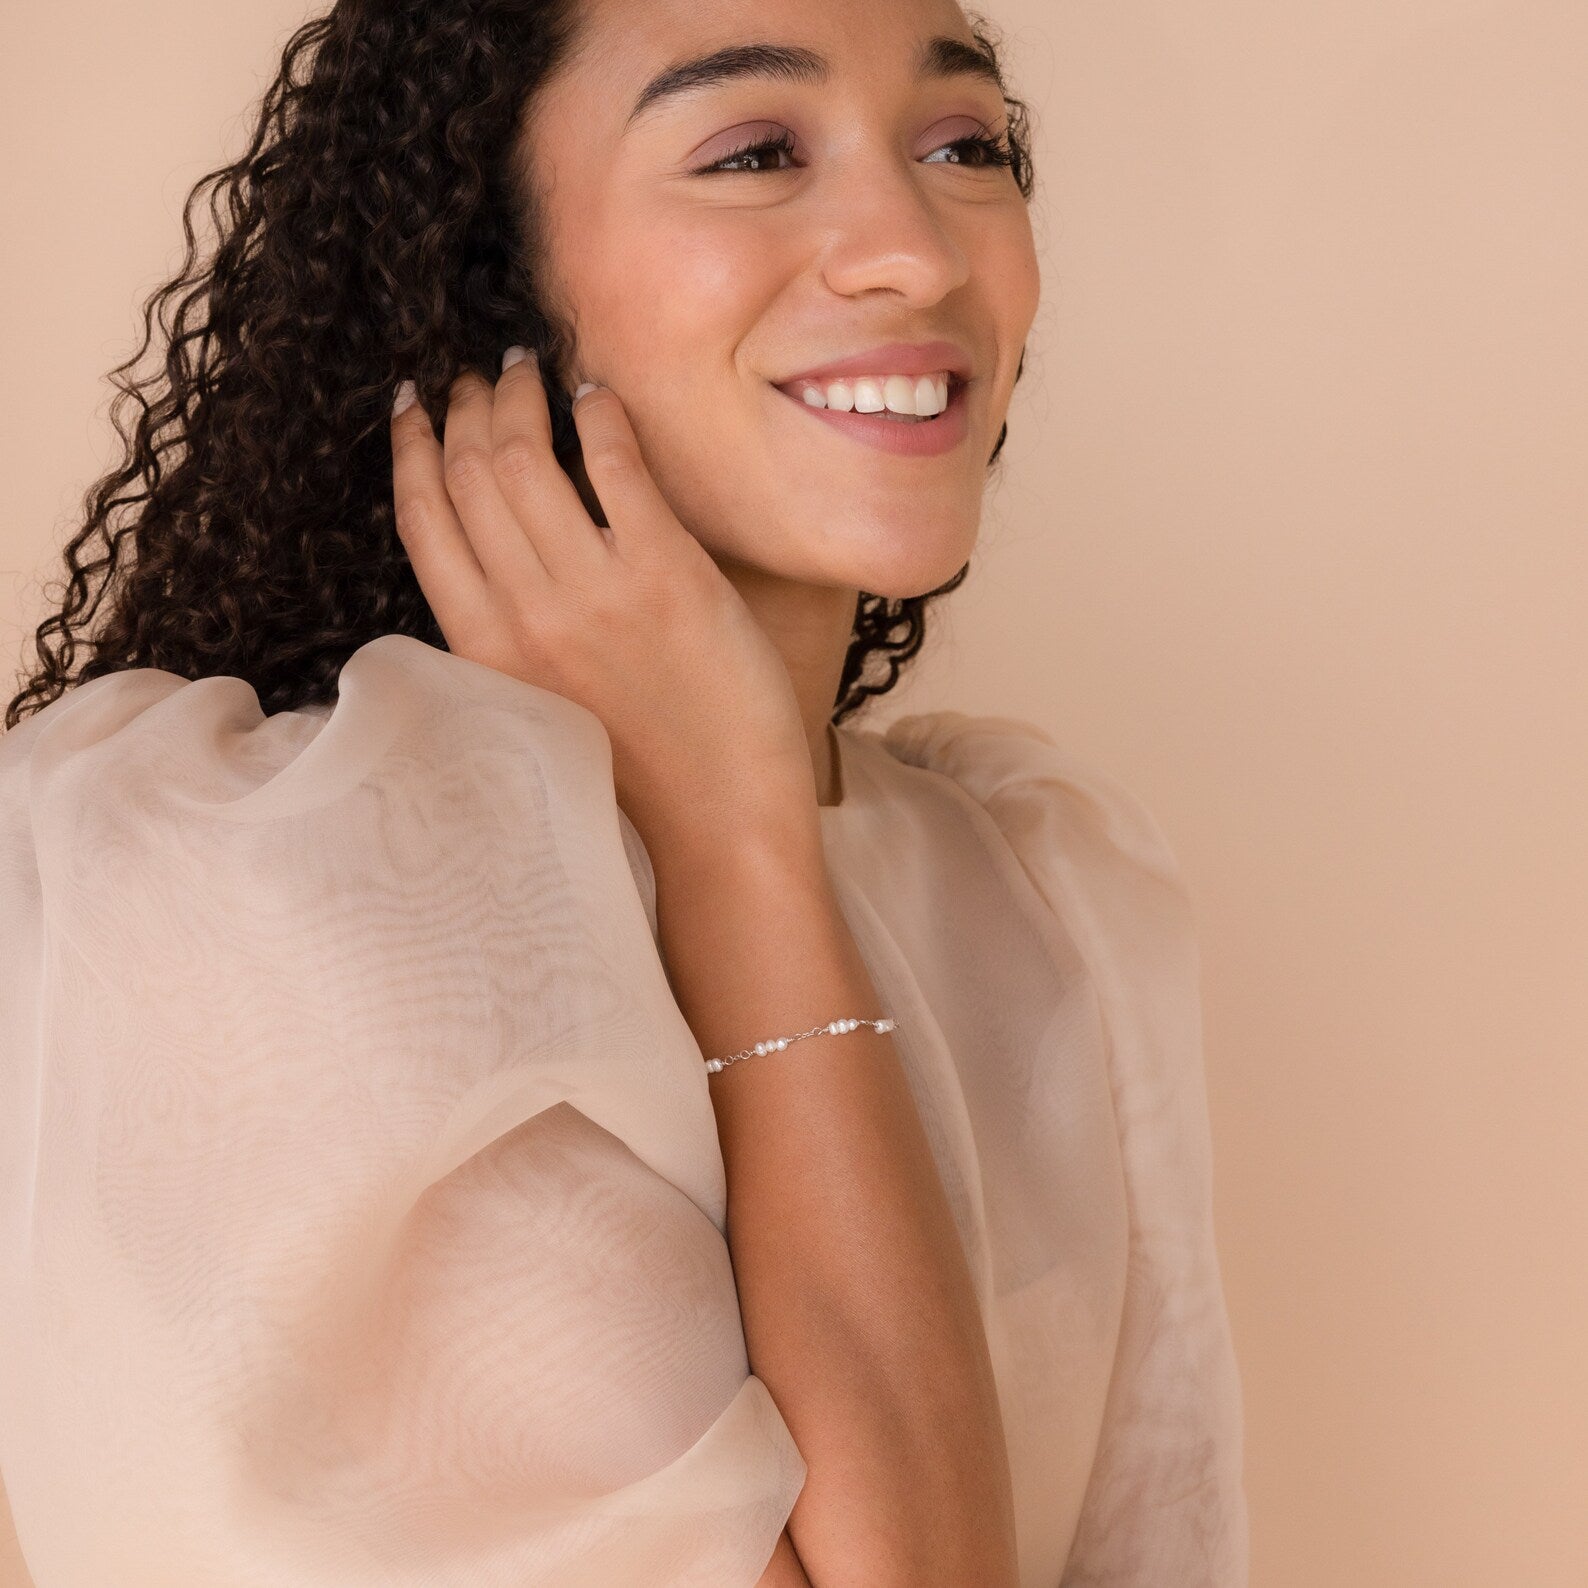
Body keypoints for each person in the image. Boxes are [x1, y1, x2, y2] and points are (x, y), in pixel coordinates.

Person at [0, 0, 1249, 1582]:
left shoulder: (1040, 884)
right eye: (752, 152)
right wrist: (732, 844)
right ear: (488, 282)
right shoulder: (273, 895)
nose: (913, 252)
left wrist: (751, 830)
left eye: (963, 145)